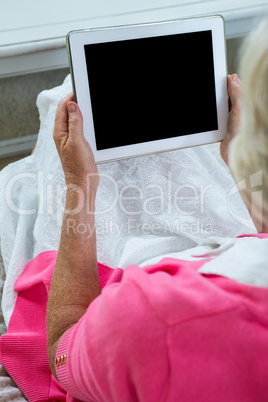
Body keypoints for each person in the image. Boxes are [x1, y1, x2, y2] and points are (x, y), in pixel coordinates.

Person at [1, 18, 268, 402]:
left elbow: (62, 352)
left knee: (62, 108)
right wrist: (244, 161)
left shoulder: (152, 318)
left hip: (122, 293)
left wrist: (81, 182)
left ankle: (41, 144)